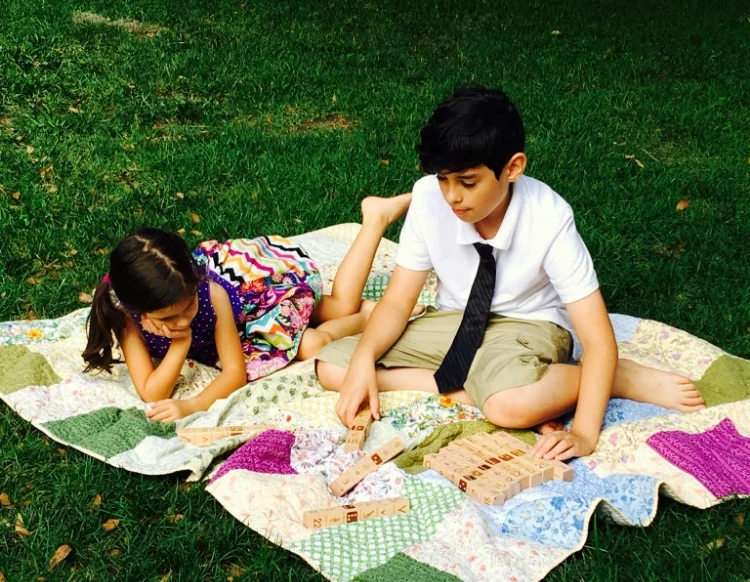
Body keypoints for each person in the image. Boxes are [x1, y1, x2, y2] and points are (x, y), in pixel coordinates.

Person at [315, 87, 706, 461]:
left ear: (513, 168)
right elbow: (399, 301)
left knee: (508, 407)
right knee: (333, 367)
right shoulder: (428, 198)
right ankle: (477, 389)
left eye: (468, 182)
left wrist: (585, 433)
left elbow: (597, 338)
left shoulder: (549, 217)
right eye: (443, 179)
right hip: (454, 323)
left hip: (529, 326)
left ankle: (608, 379)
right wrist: (365, 357)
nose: (452, 196)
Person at [82, 194, 414, 423]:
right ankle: (362, 312)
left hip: (254, 296)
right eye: (170, 317)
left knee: (337, 309)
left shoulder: (210, 293)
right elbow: (151, 391)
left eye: (189, 306)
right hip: (239, 323)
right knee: (313, 343)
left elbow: (234, 372)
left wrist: (194, 404)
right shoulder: (125, 315)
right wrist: (181, 343)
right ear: (139, 310)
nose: (185, 318)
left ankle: (375, 224)